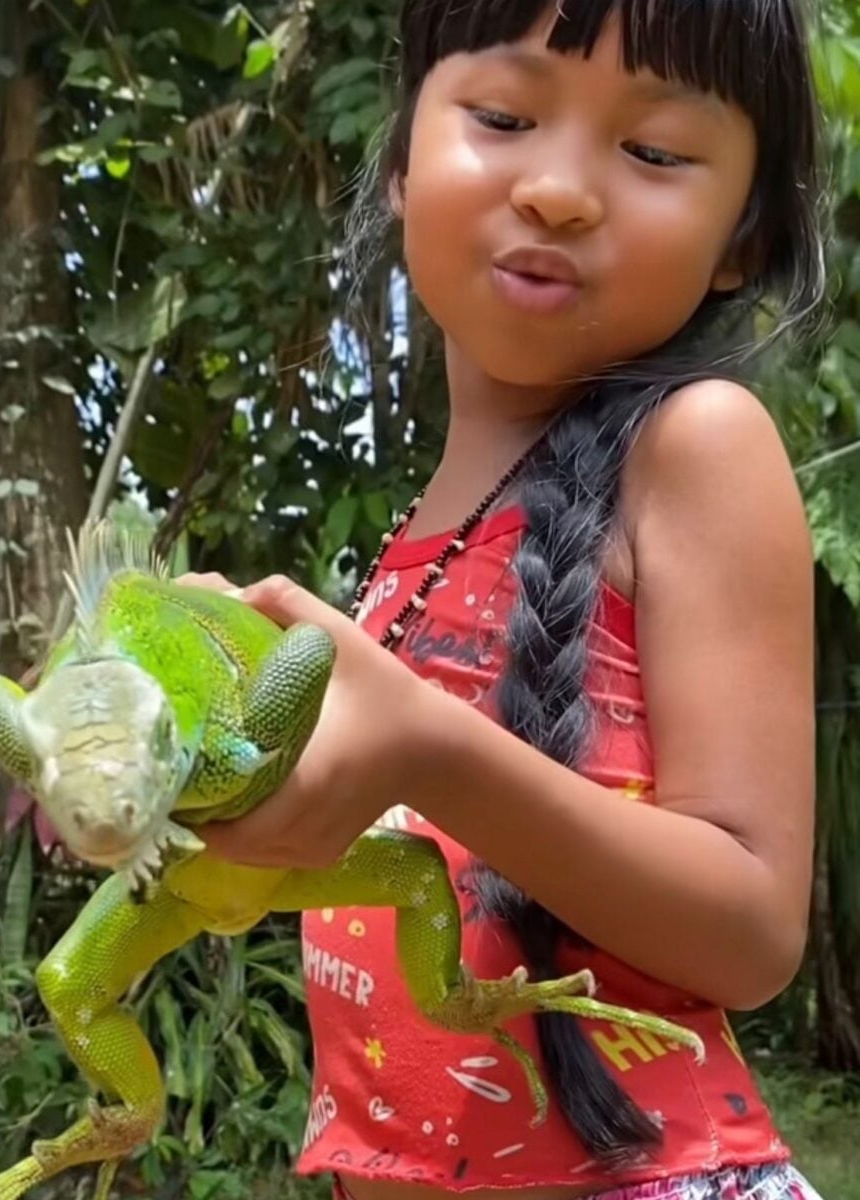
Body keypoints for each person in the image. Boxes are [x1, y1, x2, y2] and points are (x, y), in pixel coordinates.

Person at [181, 1, 827, 1198]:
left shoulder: (697, 446)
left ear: (744, 236)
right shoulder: (420, 531)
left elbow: (751, 929)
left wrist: (430, 749)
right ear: (401, 163)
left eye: (653, 151)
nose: (561, 190)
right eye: (503, 115)